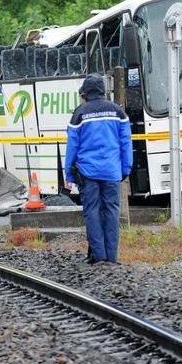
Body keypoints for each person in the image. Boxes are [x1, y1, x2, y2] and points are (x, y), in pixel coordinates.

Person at [65, 75, 132, 264]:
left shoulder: (80, 113)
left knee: (92, 211)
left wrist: (69, 173)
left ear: (85, 93)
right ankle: (111, 257)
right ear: (103, 91)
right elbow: (126, 142)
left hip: (88, 172)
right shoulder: (118, 112)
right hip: (112, 171)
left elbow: (72, 146)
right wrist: (126, 168)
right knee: (111, 211)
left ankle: (98, 256)